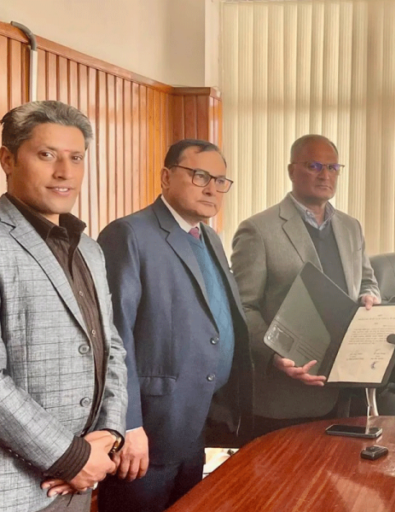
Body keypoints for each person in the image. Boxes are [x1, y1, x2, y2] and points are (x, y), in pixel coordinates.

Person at [96, 139, 253, 512]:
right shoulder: (129, 234)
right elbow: (115, 338)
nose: (212, 189)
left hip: (196, 419)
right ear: (166, 177)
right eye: (200, 176)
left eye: (220, 180)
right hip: (149, 430)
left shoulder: (208, 236)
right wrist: (127, 426)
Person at [0, 100, 128, 512]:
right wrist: (70, 457)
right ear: (7, 159)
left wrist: (111, 432)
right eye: (46, 155)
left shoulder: (90, 250)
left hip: (84, 477)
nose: (64, 172)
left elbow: (111, 346)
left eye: (76, 158)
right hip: (15, 491)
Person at [231, 134, 380, 435]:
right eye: (314, 166)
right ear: (291, 170)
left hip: (348, 389)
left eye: (333, 167)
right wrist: (274, 355)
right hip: (287, 397)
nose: (325, 175)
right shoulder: (258, 230)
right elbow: (243, 307)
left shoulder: (350, 227)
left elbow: (367, 279)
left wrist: (369, 295)